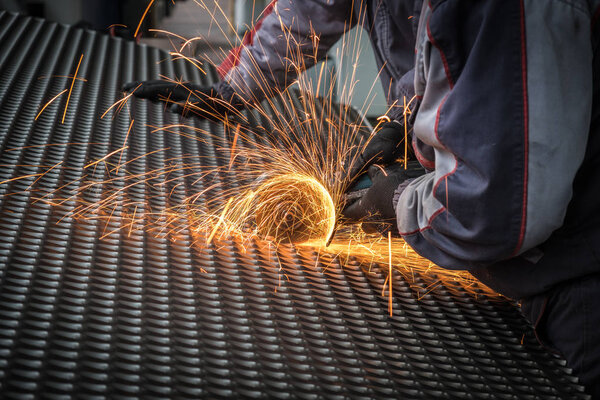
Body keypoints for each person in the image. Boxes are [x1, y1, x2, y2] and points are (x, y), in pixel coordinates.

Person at [125, 1, 600, 397]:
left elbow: (494, 211)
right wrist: (232, 92)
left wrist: (398, 200)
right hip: (521, 253)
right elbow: (313, 7)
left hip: (577, 277)